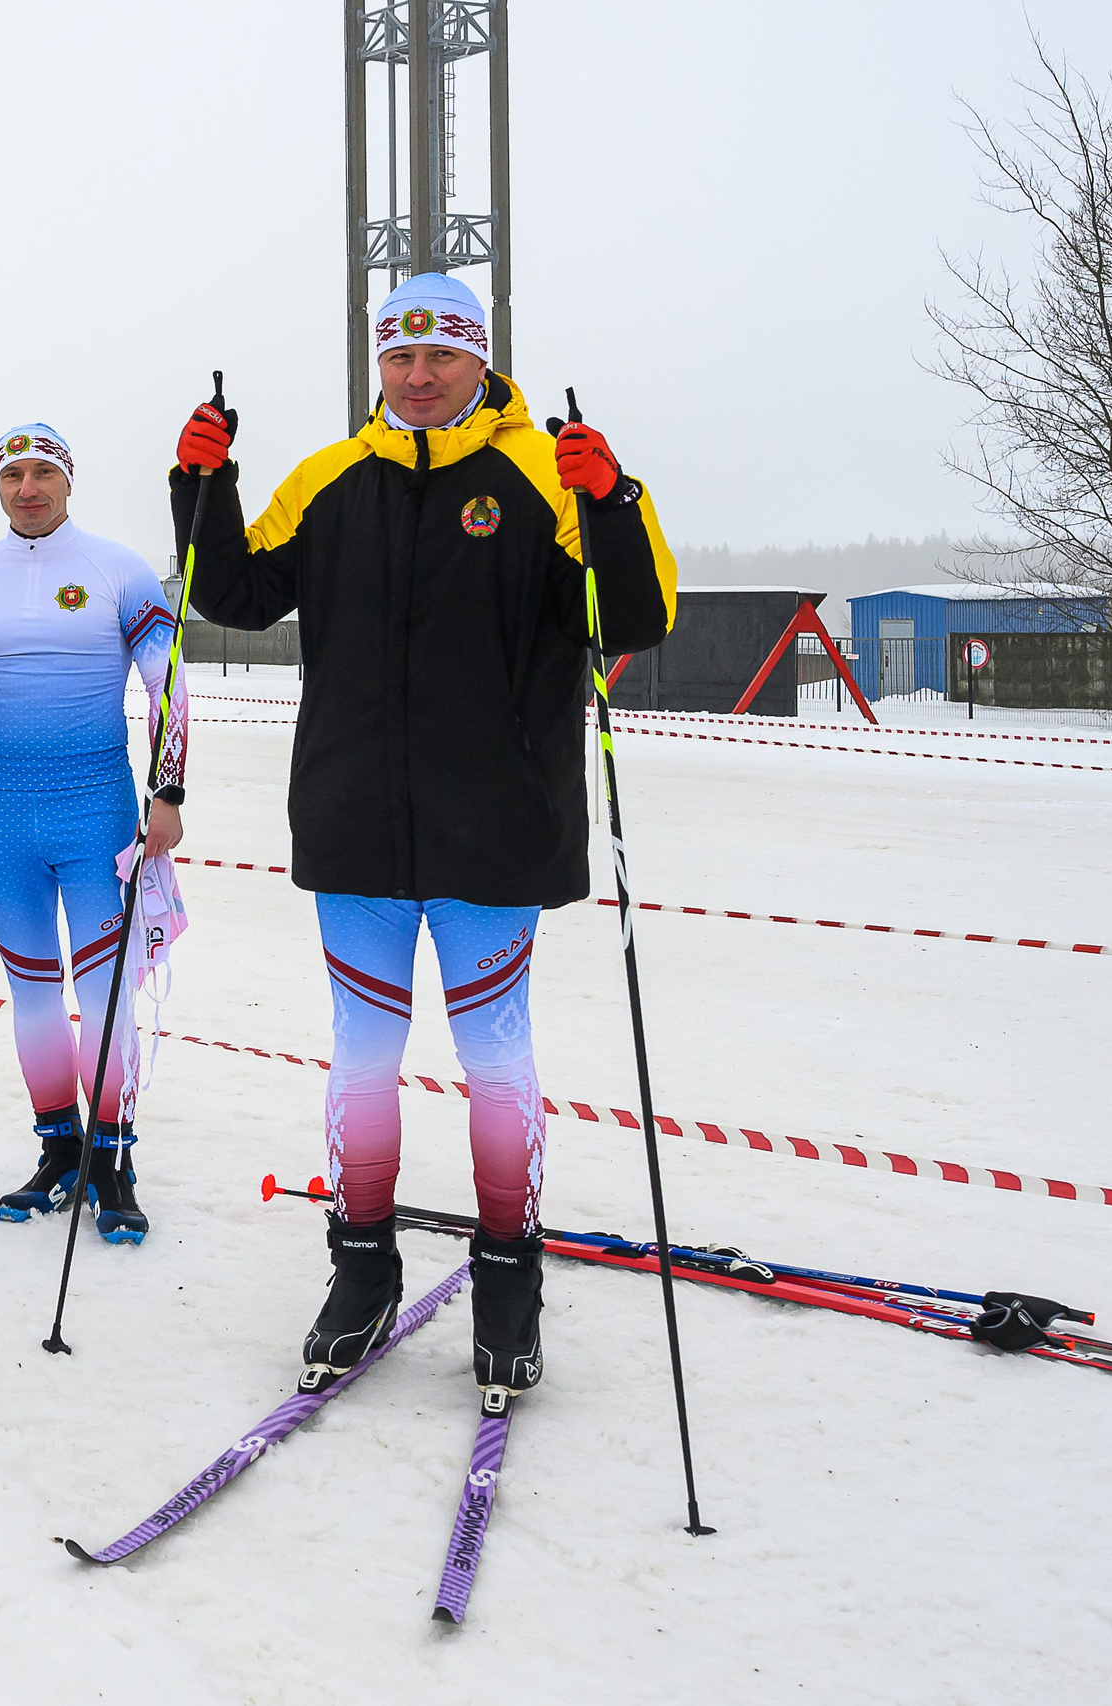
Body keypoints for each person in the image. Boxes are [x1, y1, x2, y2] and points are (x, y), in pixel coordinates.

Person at [167, 272, 678, 1400]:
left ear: (478, 358)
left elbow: (631, 619)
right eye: (398, 356)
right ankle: (362, 1266)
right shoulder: (330, 477)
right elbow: (231, 595)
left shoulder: (542, 471)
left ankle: (507, 1275)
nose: (416, 375)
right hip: (356, 823)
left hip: (495, 828)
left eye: (439, 356)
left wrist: (616, 500)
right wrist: (201, 483)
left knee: (494, 1059)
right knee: (361, 1055)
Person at [0, 424, 189, 1245]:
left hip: (97, 806)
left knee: (105, 992)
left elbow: (167, 682)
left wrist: (167, 789)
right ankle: (59, 1149)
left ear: (68, 481)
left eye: (43, 473)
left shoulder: (118, 569)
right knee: (33, 991)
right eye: (13, 475)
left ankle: (115, 1161)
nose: (28, 487)